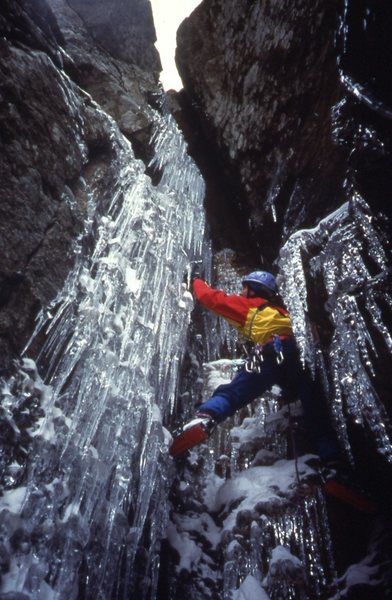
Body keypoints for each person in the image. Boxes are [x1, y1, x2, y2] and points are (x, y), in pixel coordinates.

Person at [170, 270, 339, 463]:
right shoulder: (285, 313)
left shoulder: (251, 307)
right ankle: (330, 460)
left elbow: (212, 298)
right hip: (299, 355)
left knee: (234, 392)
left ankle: (205, 418)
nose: (241, 292)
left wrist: (196, 280)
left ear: (254, 289)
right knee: (314, 404)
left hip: (271, 350)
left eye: (245, 288)